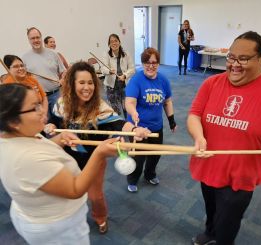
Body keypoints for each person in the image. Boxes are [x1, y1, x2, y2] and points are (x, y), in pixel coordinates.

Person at [187, 31, 261, 245]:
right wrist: (198, 137)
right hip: (208, 164)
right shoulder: (212, 83)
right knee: (211, 207)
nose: (234, 64)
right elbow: (194, 114)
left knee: (229, 221)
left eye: (243, 59)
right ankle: (210, 232)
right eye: (231, 57)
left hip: (240, 176)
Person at [0, 83, 120, 244]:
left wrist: (60, 138)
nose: (42, 110)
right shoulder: (26, 158)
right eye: (34, 107)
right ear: (13, 121)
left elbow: (41, 148)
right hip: (56, 228)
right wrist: (99, 154)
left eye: (39, 103)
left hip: (35, 213)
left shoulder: (16, 135)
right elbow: (75, 189)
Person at [46, 61, 151, 233]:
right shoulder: (61, 104)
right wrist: (50, 126)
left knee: (95, 196)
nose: (87, 87)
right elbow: (53, 121)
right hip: (67, 158)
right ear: (72, 84)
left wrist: (134, 129)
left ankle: (100, 217)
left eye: (90, 83)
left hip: (94, 159)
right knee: (69, 194)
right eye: (81, 82)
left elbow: (118, 123)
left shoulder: (100, 107)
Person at [125, 47, 177, 193]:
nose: (151, 65)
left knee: (155, 154)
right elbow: (129, 102)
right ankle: (133, 179)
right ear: (142, 64)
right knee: (138, 157)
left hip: (156, 126)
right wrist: (134, 112)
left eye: (154, 62)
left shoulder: (163, 80)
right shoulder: (136, 80)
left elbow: (167, 101)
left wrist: (171, 120)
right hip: (138, 128)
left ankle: (150, 175)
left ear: (158, 64)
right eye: (147, 62)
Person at [22, 27, 66, 119]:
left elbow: (63, 71)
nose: (36, 40)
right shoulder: (25, 58)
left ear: (41, 38)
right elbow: (24, 78)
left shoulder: (53, 53)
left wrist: (62, 79)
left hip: (56, 94)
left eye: (37, 37)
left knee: (62, 121)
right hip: (39, 99)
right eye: (33, 38)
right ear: (29, 40)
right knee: (46, 125)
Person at [3, 55, 48, 119]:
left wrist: (44, 114)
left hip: (40, 116)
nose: (20, 68)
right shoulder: (7, 85)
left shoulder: (32, 80)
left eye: (22, 65)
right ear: (8, 70)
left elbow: (44, 98)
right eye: (16, 66)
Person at [102, 34, 135, 118]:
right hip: (111, 88)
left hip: (124, 86)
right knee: (115, 111)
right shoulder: (106, 55)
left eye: (115, 41)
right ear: (109, 44)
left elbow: (132, 69)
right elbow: (103, 69)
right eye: (111, 42)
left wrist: (125, 75)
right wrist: (109, 71)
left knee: (126, 108)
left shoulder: (126, 54)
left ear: (119, 42)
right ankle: (119, 127)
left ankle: (129, 126)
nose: (114, 43)